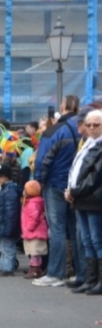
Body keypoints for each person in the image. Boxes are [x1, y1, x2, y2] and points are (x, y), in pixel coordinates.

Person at [33, 95, 85, 287]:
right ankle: (82, 273)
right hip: (77, 186)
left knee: (57, 230)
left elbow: (42, 160)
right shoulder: (84, 129)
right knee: (76, 230)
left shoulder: (54, 131)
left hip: (55, 184)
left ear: (62, 107)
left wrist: (39, 180)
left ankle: (56, 272)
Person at [66, 109, 102, 295]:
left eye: (96, 125)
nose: (92, 128)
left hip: (94, 199)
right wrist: (70, 189)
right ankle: (91, 279)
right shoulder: (87, 143)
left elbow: (95, 177)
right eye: (89, 125)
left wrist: (74, 190)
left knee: (97, 240)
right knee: (87, 241)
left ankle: (99, 281)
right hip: (81, 199)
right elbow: (76, 170)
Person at [0, 163, 21, 277]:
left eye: (1, 176)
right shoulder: (3, 190)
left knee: (7, 248)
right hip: (2, 225)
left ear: (7, 176)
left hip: (6, 226)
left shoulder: (10, 191)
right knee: (2, 247)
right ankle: (3, 266)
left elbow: (11, 212)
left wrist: (9, 228)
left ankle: (7, 268)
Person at [21, 180, 47, 279]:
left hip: (34, 233)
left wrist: (29, 227)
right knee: (32, 252)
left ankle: (36, 270)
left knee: (35, 252)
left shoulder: (33, 203)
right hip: (30, 233)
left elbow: (34, 217)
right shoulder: (30, 201)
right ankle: (33, 268)